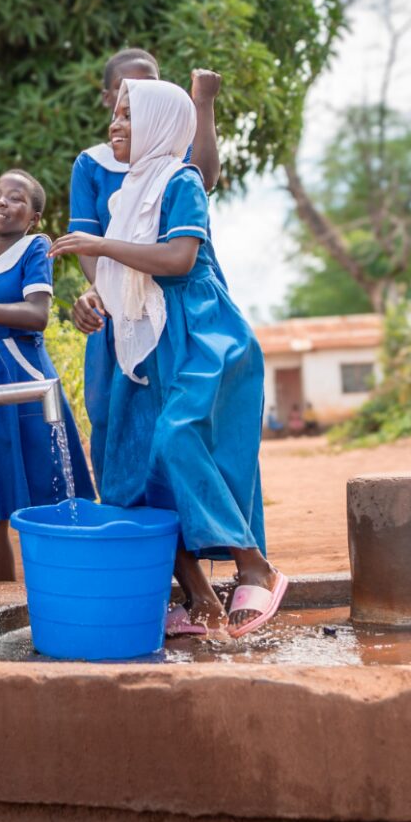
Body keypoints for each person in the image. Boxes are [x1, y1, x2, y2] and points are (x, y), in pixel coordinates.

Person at [52, 80, 285, 638]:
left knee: (178, 438)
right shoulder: (123, 192)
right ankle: (201, 601)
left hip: (199, 329)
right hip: (144, 337)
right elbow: (120, 279)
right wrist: (95, 295)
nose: (117, 125)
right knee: (131, 472)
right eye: (116, 114)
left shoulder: (181, 183)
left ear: (160, 122)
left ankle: (255, 565)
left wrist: (102, 246)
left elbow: (179, 259)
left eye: (130, 116)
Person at [69, 49, 223, 480]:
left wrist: (203, 105)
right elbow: (89, 246)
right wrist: (103, 291)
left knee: (183, 419)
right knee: (118, 420)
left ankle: (198, 537)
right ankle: (137, 534)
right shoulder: (95, 165)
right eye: (123, 94)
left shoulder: (177, 165)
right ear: (107, 101)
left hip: (175, 302)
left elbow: (204, 179)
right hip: (122, 308)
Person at [0, 171, 93, 581]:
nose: (0, 202)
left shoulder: (36, 248)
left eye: (14, 199)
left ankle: (65, 584)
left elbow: (37, 316)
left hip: (24, 379)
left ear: (33, 217)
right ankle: (8, 595)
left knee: (48, 488)